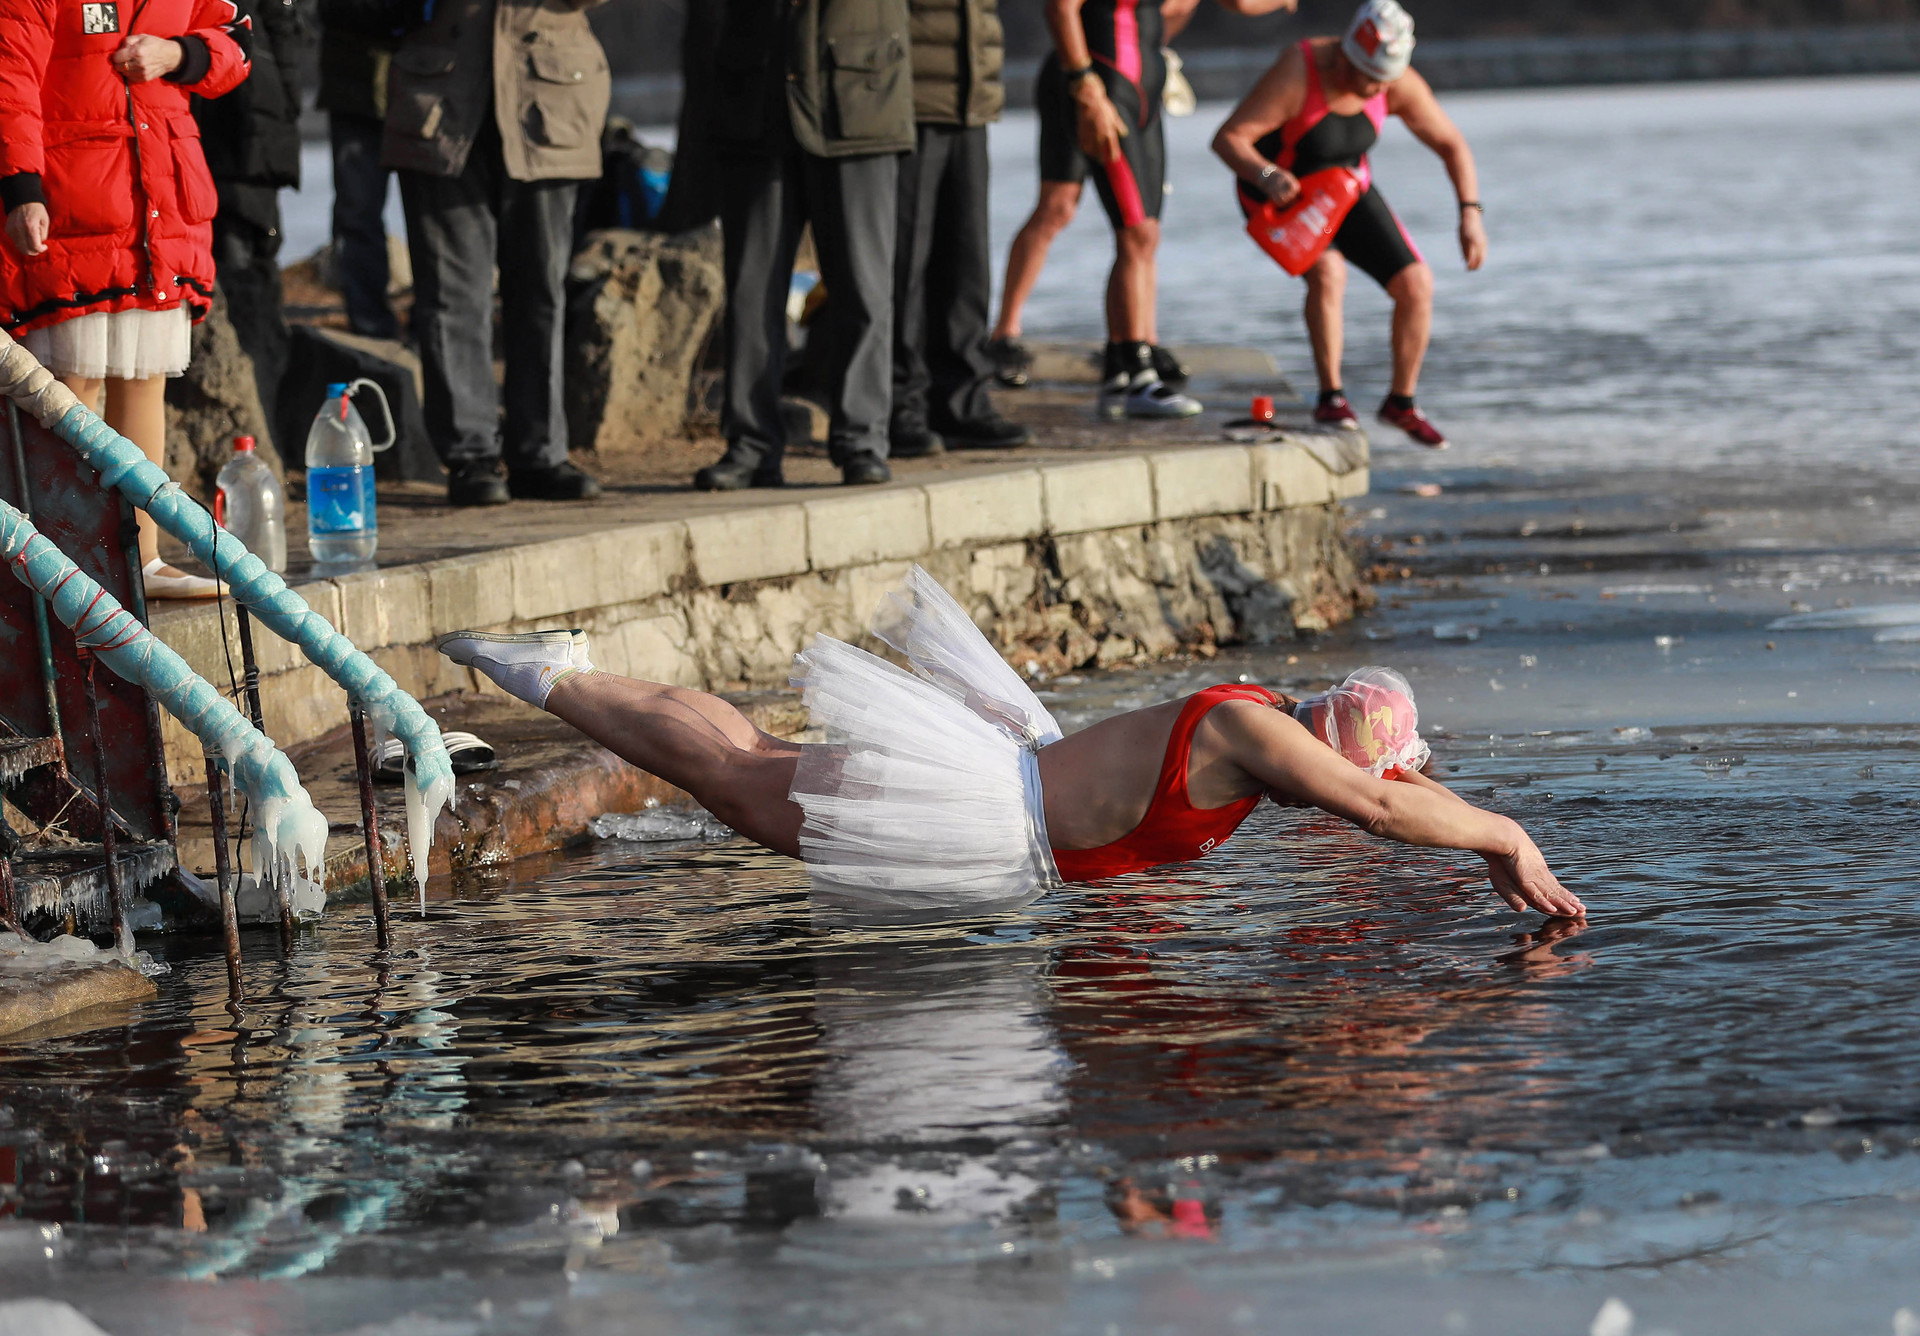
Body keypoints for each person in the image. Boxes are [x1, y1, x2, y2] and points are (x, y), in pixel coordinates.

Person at [436, 566, 1583, 919]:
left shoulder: (1265, 749)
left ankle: (564, 664)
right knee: (739, 780)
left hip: (1004, 820)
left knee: (750, 770)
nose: (1348, 791)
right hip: (988, 810)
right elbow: (1381, 808)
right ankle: (550, 672)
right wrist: (1506, 838)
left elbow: (1387, 794)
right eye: (1356, 767)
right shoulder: (1254, 732)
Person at [0, 0, 253, 600]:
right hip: (74, 202)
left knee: (146, 381)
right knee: (69, 386)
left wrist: (178, 54)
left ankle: (142, 558)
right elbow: (11, 80)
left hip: (161, 203)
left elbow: (238, 43)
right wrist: (21, 189)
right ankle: (59, 563)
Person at [988, 0, 1297, 419]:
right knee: (1074, 213)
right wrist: (1084, 84)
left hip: (1141, 85)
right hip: (1097, 83)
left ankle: (1129, 351)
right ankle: (1120, 366)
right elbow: (1060, 8)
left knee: (1144, 232)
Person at [1212, 0, 1482, 448]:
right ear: (1344, 55)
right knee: (1328, 273)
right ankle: (1331, 397)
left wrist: (1470, 213)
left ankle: (1402, 402)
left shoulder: (1394, 83)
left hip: (1344, 188)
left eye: (1384, 81)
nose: (1376, 91)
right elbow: (1229, 139)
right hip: (1276, 189)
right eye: (1367, 78)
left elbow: (1452, 145)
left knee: (1416, 285)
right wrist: (1267, 175)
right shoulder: (1300, 69)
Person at [382, 0, 608, 507]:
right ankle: (470, 457)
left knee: (542, 292)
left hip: (551, 99)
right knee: (450, 295)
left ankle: (541, 454)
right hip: (438, 103)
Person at [693, 0, 913, 492]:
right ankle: (750, 446)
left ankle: (862, 441)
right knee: (751, 293)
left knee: (864, 287)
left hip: (861, 96)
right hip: (756, 97)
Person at [888, 0, 1032, 460]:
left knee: (967, 262)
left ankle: (962, 404)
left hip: (972, 97)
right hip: (908, 98)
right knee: (905, 265)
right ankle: (900, 408)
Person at [194, 0, 306, 437]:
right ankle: (261, 437)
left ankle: (258, 438)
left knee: (245, 291)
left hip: (241, 150)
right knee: (250, 287)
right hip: (246, 147)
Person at [316, 0, 400, 340]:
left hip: (429, 89)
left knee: (437, 222)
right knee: (357, 212)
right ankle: (370, 330)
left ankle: (434, 325)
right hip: (354, 92)